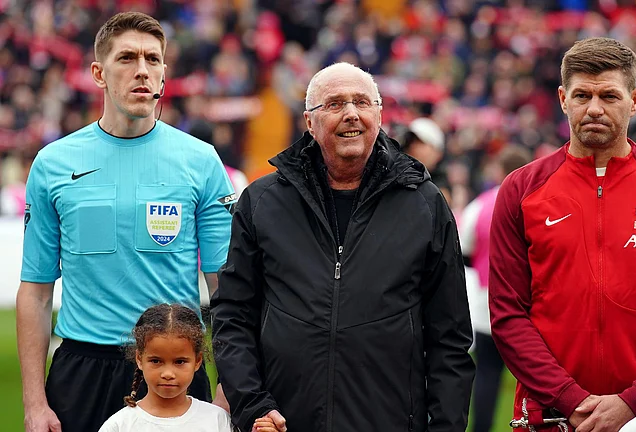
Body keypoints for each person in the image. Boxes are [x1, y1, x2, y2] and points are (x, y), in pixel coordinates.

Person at [211, 62, 475, 432]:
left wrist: (445, 427)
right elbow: (233, 315)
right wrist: (253, 405)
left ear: (379, 115)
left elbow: (450, 336)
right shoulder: (263, 201)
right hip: (283, 423)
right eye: (335, 104)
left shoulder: (425, 204)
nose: (351, 113)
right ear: (309, 122)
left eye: (362, 102)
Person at [17, 12, 235, 432]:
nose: (142, 70)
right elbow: (37, 292)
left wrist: (230, 384)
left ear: (164, 75)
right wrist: (33, 403)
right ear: (98, 73)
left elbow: (226, 289)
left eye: (153, 60)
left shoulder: (201, 161)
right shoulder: (54, 164)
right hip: (83, 369)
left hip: (175, 366)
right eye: (128, 58)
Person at [489, 37, 636, 432]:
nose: (594, 108)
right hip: (551, 415)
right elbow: (508, 316)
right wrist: (569, 398)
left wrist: (631, 401)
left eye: (609, 95)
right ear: (563, 98)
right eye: (582, 95)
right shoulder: (521, 189)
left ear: (635, 100)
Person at [459, 145, 531, 432]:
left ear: (499, 170)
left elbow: (464, 251)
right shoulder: (535, 202)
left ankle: (481, 429)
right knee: (532, 375)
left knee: (487, 373)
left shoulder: (481, 204)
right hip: (527, 303)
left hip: (487, 302)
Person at [98, 304, 238, 432]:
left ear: (197, 361)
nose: (168, 374)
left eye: (179, 362)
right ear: (139, 359)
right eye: (156, 361)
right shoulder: (120, 425)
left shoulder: (217, 420)